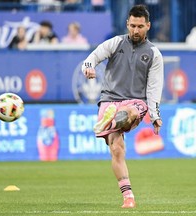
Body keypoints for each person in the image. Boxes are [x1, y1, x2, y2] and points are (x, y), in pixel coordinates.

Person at [82, 5, 163, 208]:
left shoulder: (154, 54)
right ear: (127, 24)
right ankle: (128, 196)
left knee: (130, 112)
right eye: (133, 25)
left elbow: (154, 88)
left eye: (140, 26)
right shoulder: (116, 43)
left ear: (148, 26)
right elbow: (92, 58)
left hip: (136, 101)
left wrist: (154, 115)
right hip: (109, 99)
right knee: (117, 149)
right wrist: (89, 68)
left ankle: (112, 118)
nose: (136, 30)